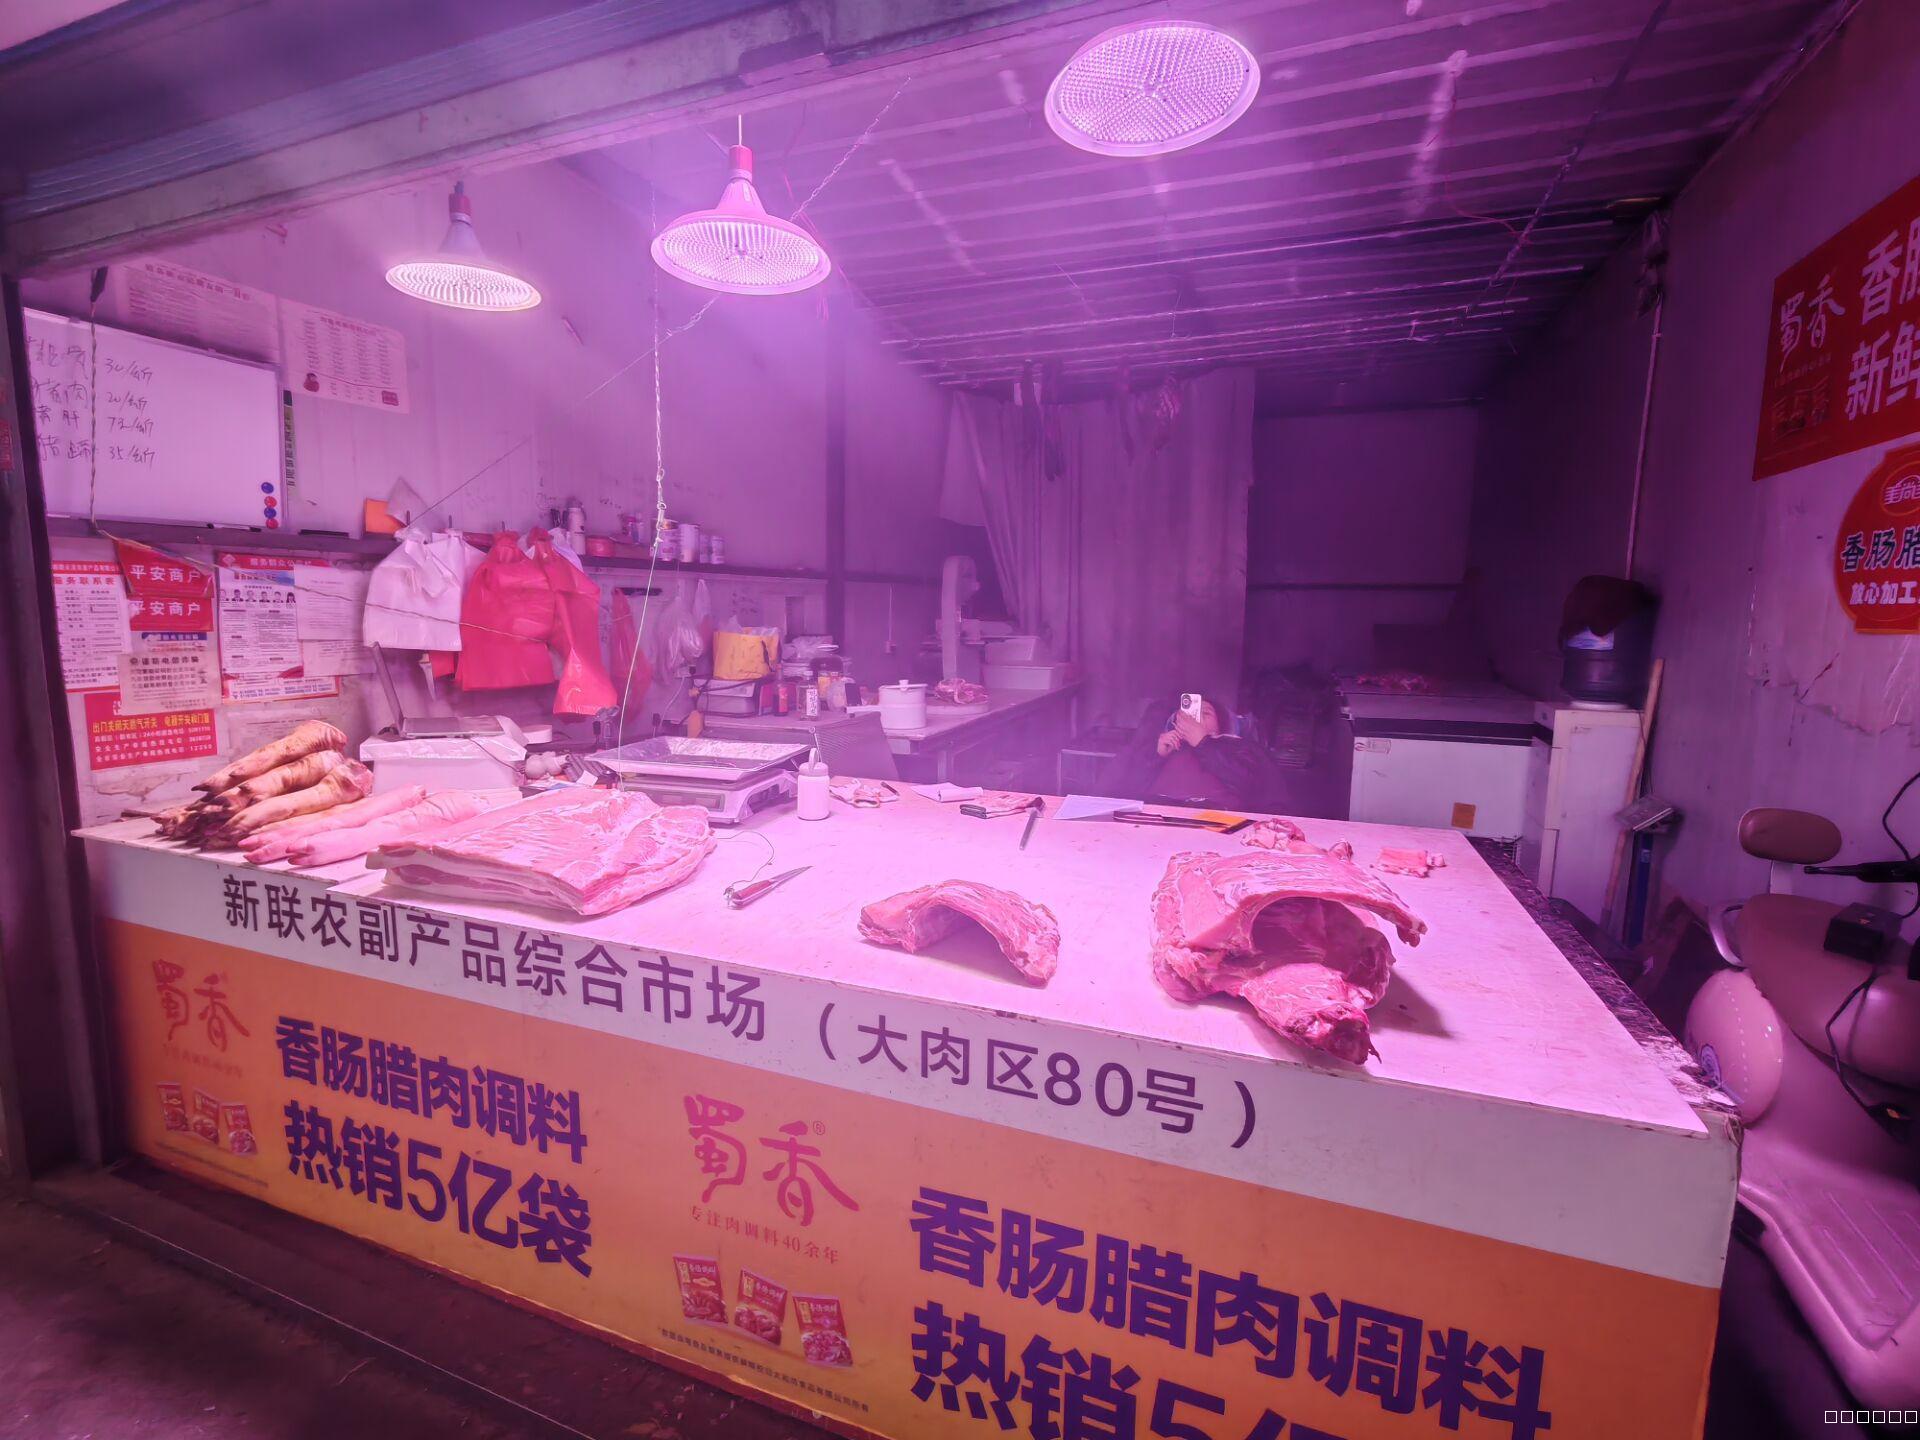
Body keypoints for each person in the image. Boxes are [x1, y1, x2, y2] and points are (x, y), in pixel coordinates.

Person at [1099, 693, 1292, 811]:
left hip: (1218, 822)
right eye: (1189, 714)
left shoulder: (1240, 747)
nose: (1196, 719)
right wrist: (1154, 757)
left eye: (1205, 713)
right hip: (1156, 818)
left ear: (1221, 724)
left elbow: (1256, 789)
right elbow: (1116, 790)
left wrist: (1203, 743)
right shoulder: (1161, 748)